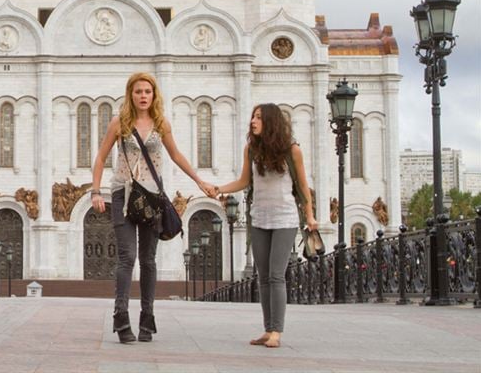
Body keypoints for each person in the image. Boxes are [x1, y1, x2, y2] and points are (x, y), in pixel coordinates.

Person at [90, 72, 216, 343]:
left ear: (154, 95)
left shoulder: (161, 124)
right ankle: (121, 318)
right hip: (123, 195)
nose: (143, 96)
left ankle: (147, 319)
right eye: (138, 91)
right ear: (130, 94)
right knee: (127, 257)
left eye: (148, 91)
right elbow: (100, 157)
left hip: (152, 198)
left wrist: (200, 180)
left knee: (148, 260)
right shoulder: (119, 122)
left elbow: (177, 155)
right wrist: (96, 191)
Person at [213, 104, 317, 349]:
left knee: (275, 275)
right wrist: (219, 189)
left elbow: (303, 187)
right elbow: (243, 181)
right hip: (259, 218)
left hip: (285, 218)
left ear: (271, 122)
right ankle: (268, 328)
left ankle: (277, 331)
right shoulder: (252, 149)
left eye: (258, 117)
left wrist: (310, 217)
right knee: (262, 278)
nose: (253, 121)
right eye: (252, 117)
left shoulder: (292, 151)